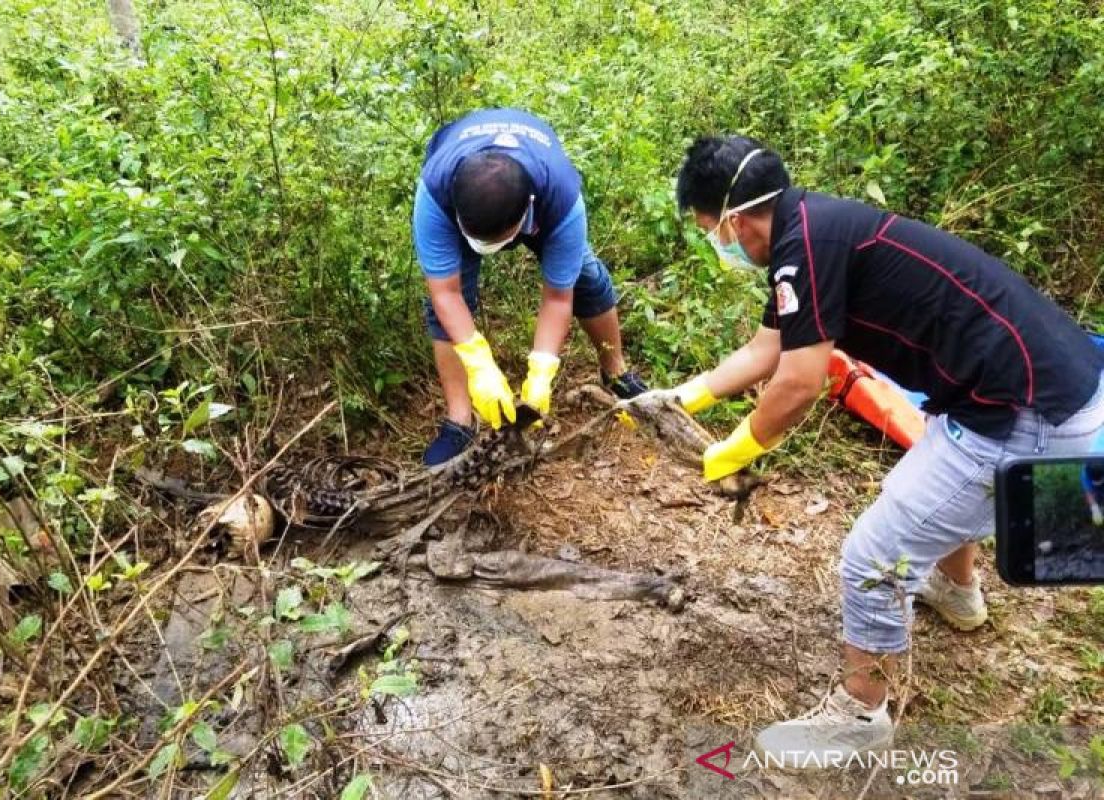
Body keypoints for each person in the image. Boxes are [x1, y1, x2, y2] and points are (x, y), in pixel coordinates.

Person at [664, 135, 1104, 763]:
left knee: (871, 558)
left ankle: (859, 715)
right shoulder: (808, 230)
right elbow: (768, 349)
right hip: (1036, 386)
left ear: (735, 218)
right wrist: (684, 399)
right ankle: (957, 594)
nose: (720, 245)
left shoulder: (805, 245)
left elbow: (797, 381)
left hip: (1026, 410)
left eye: (712, 230)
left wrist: (740, 446)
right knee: (935, 473)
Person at [413, 108, 646, 466]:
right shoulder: (436, 194)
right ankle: (459, 419)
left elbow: (557, 296)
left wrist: (542, 369)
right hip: (460, 200)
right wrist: (479, 362)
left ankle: (616, 373)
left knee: (585, 277)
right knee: (445, 309)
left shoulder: (561, 199)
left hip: (543, 197)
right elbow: (445, 292)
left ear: (526, 217)